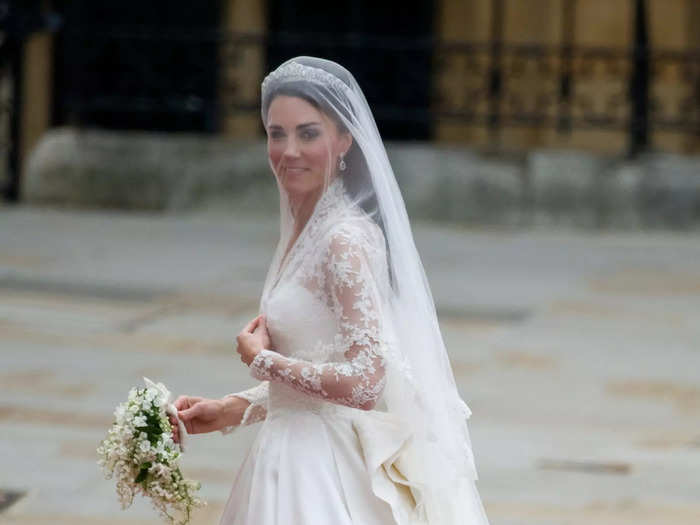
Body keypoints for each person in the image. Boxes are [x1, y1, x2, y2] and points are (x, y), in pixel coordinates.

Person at [169, 56, 490, 525]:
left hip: (319, 471)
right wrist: (228, 409)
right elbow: (310, 383)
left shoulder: (342, 239)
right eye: (276, 133)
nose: (289, 150)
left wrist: (262, 359)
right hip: (284, 454)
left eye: (308, 133)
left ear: (343, 140)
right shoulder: (307, 228)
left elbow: (365, 381)